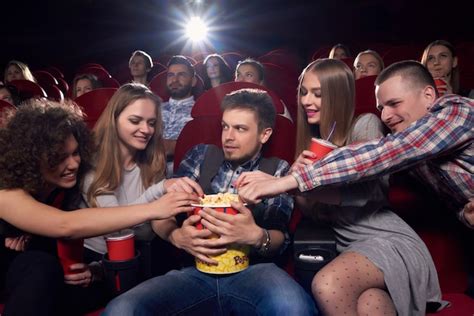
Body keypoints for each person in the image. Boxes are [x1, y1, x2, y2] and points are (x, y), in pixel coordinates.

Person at [103, 88, 317, 316]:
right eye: (225, 126)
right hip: (195, 272)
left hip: (254, 272)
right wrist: (177, 236)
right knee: (122, 309)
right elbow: (161, 214)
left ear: (264, 135)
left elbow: (280, 237)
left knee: (295, 308)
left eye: (240, 129)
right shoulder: (200, 156)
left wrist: (254, 235)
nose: (228, 137)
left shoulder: (278, 170)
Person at [0, 99, 199, 316]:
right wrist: (155, 206)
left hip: (45, 272)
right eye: (59, 157)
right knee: (40, 265)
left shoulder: (67, 183)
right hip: (18, 269)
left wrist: (93, 271)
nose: (73, 164)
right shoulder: (6, 189)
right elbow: (64, 225)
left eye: (75, 153)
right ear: (31, 158)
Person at [238, 61, 473, 238]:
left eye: (394, 104)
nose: (386, 116)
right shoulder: (417, 160)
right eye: (382, 107)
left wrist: (286, 182)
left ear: (429, 95)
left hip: (378, 236)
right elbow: (452, 202)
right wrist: (465, 214)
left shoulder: (455, 111)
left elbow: (387, 153)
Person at [286, 58, 445, 315]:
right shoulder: (311, 145)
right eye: (303, 92)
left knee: (328, 284)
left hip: (386, 240)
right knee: (370, 303)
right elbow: (316, 215)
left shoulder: (365, 124)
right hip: (350, 247)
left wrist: (304, 184)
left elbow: (369, 191)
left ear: (337, 95)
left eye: (317, 93)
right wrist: (298, 184)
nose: (306, 101)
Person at [82, 83, 202, 260]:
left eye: (151, 123)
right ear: (114, 120)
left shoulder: (152, 159)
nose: (146, 130)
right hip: (99, 259)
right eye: (135, 121)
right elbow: (117, 226)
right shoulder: (93, 163)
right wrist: (161, 188)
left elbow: (159, 217)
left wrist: (175, 235)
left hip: (142, 253)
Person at [161, 55, 197, 163]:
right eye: (171, 75)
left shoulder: (200, 111)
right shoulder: (154, 108)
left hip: (184, 169)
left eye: (181, 75)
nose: (174, 79)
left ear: (193, 81)